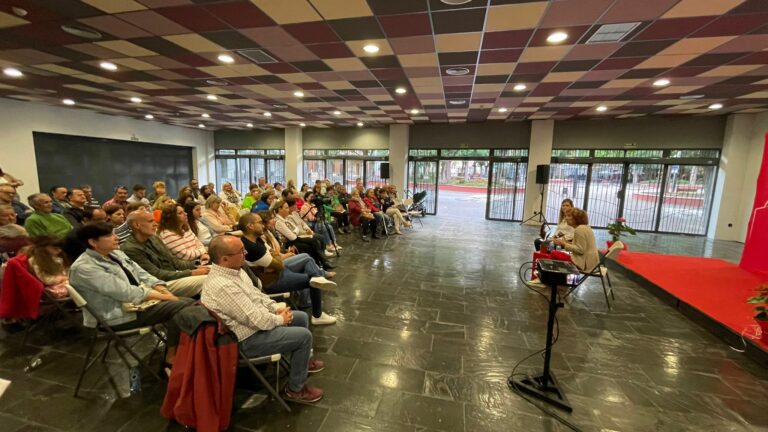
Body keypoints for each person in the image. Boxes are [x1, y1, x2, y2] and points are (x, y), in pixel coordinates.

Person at [200, 235, 325, 403]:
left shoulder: (235, 271)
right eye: (240, 251)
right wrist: (279, 319)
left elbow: (257, 296)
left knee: (301, 317)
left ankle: (301, 364)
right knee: (304, 336)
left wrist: (275, 307)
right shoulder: (223, 285)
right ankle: (295, 389)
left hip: (253, 325)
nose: (245, 253)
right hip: (245, 340)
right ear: (225, 259)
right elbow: (255, 320)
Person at [69, 223, 194, 366]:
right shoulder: (84, 268)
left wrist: (160, 286)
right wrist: (166, 297)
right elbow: (125, 292)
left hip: (136, 304)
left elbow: (142, 274)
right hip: (116, 316)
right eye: (110, 235)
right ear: (93, 242)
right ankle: (172, 356)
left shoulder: (116, 253)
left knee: (189, 303)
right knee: (181, 306)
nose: (116, 238)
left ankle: (183, 350)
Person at [239, 213, 337, 325]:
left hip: (274, 273)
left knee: (306, 258)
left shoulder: (255, 239)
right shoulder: (251, 248)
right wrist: (274, 257)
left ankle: (316, 282)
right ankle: (318, 315)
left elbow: (273, 254)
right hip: (272, 281)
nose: (263, 225)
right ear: (250, 226)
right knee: (313, 281)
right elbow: (278, 264)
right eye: (260, 222)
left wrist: (274, 257)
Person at [121, 211, 208, 298]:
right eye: (150, 221)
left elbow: (174, 261)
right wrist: (191, 273)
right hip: (159, 284)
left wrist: (196, 265)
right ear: (137, 225)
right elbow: (156, 274)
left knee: (214, 270)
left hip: (174, 275)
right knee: (207, 279)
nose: (155, 224)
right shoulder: (130, 249)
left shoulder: (153, 238)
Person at [273, 200, 334, 269]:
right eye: (286, 208)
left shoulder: (285, 218)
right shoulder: (279, 222)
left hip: (295, 238)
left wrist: (295, 231)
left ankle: (320, 263)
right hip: (288, 243)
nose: (288, 210)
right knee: (312, 242)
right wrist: (295, 231)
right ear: (279, 209)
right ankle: (321, 263)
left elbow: (296, 229)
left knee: (314, 241)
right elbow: (292, 237)